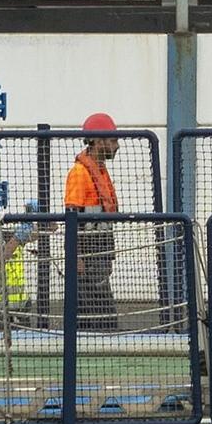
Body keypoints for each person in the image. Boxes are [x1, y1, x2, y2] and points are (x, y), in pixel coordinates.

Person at [64, 113, 122, 332]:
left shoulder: (100, 171)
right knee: (99, 319)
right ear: (98, 141)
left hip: (98, 256)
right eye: (113, 140)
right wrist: (76, 256)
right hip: (87, 258)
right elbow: (72, 215)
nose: (117, 146)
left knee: (94, 316)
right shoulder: (80, 173)